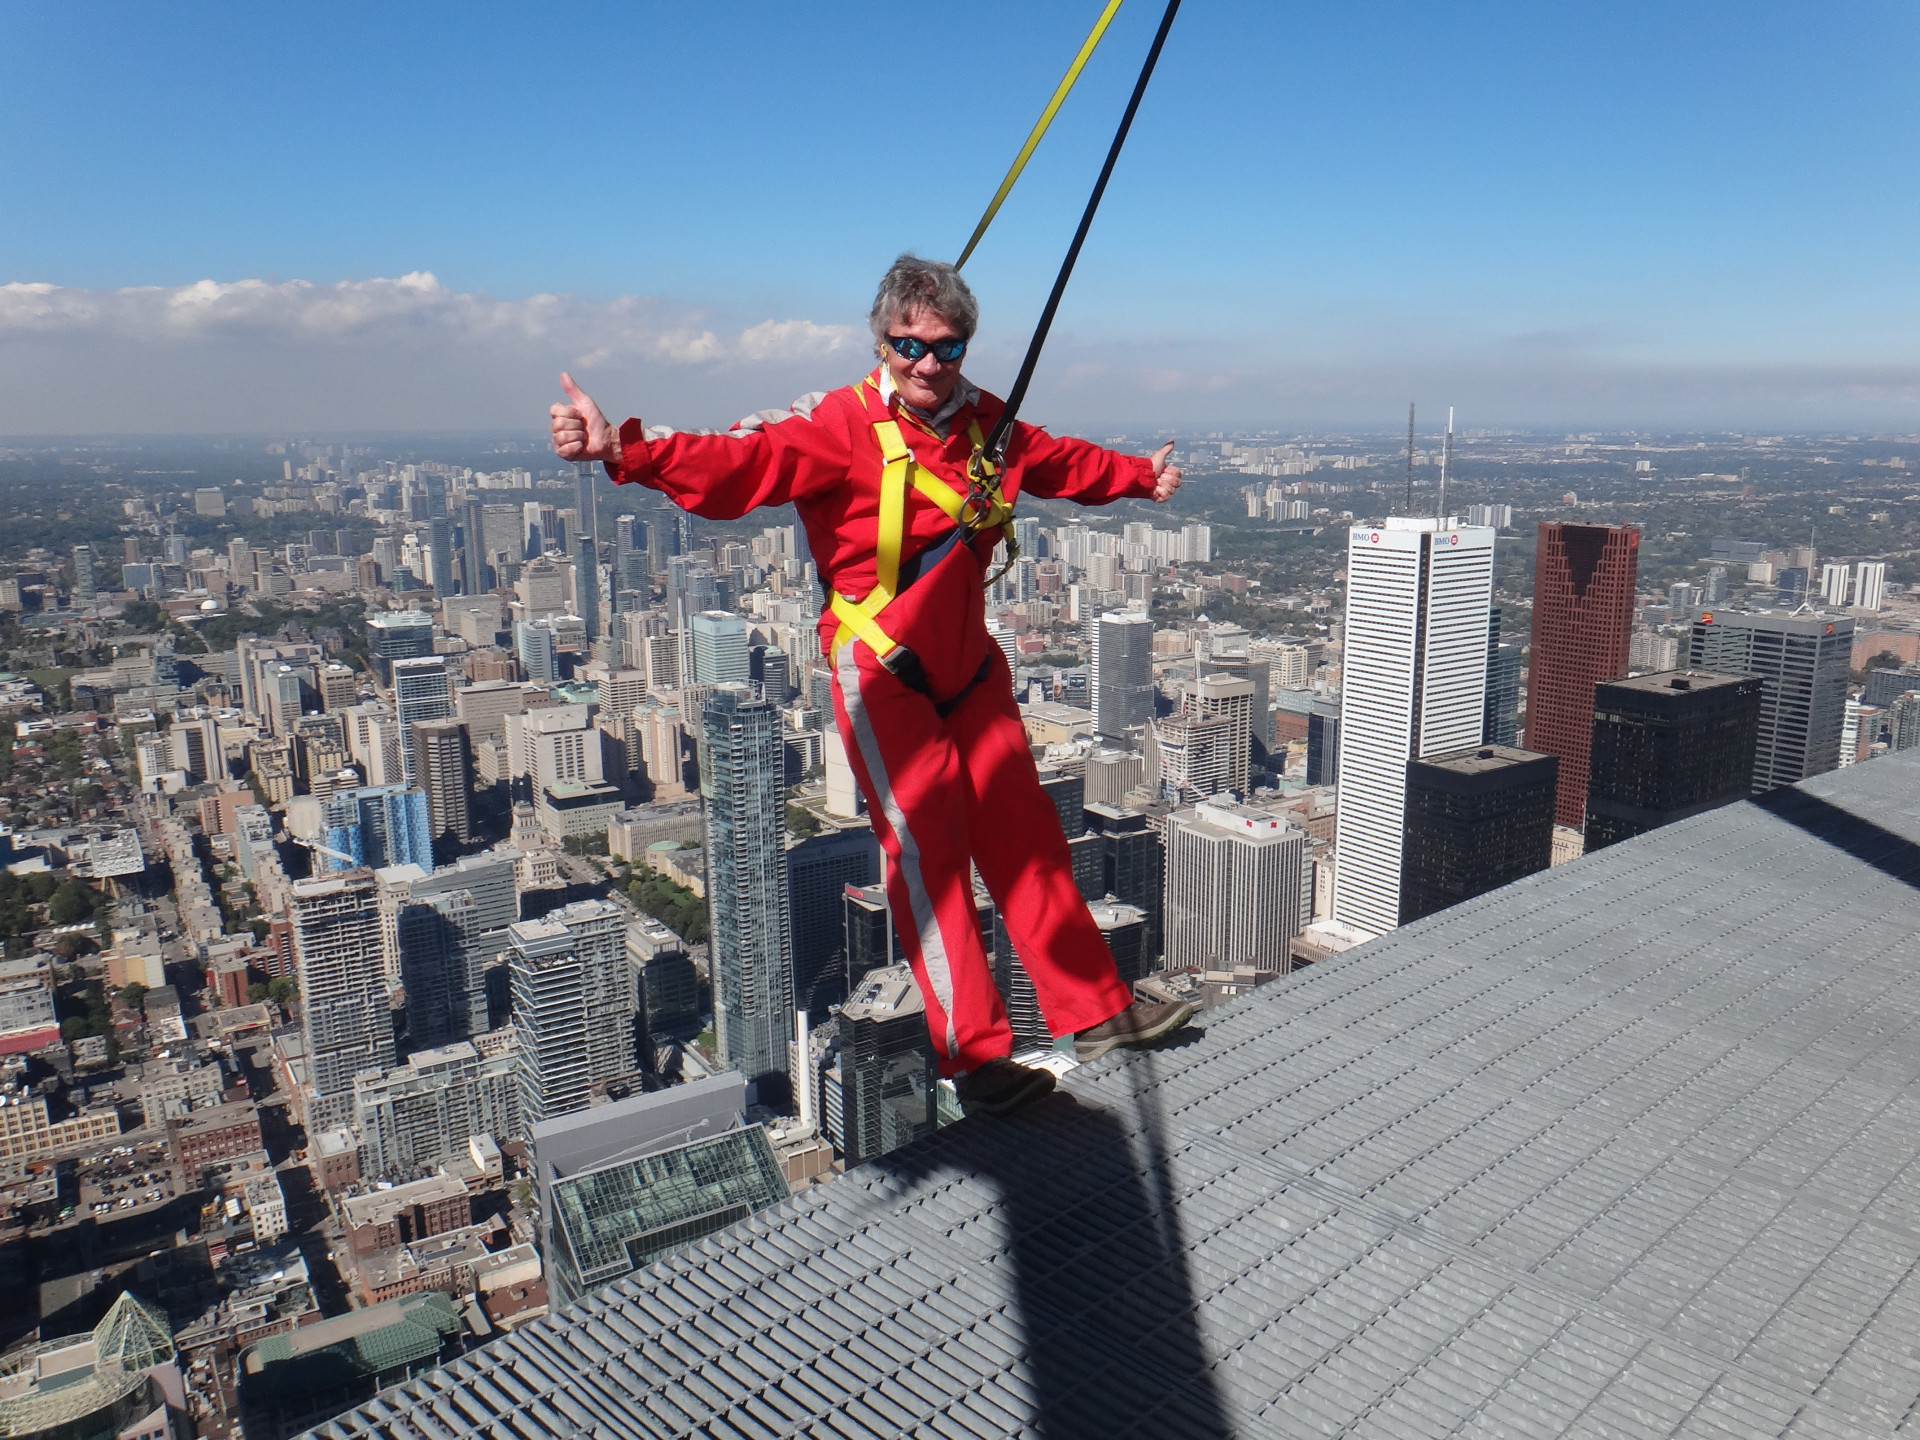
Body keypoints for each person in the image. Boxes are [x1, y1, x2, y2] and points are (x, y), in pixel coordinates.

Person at [551, 254, 1194, 1116]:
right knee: (928, 854)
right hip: (882, 669)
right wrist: (622, 449)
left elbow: (1053, 461)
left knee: (1025, 837)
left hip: (970, 670)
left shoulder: (983, 424)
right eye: (909, 345)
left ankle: (1095, 1009)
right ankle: (977, 1056)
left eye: (948, 347)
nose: (929, 364)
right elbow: (739, 464)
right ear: (881, 340)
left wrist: (1137, 477)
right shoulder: (834, 425)